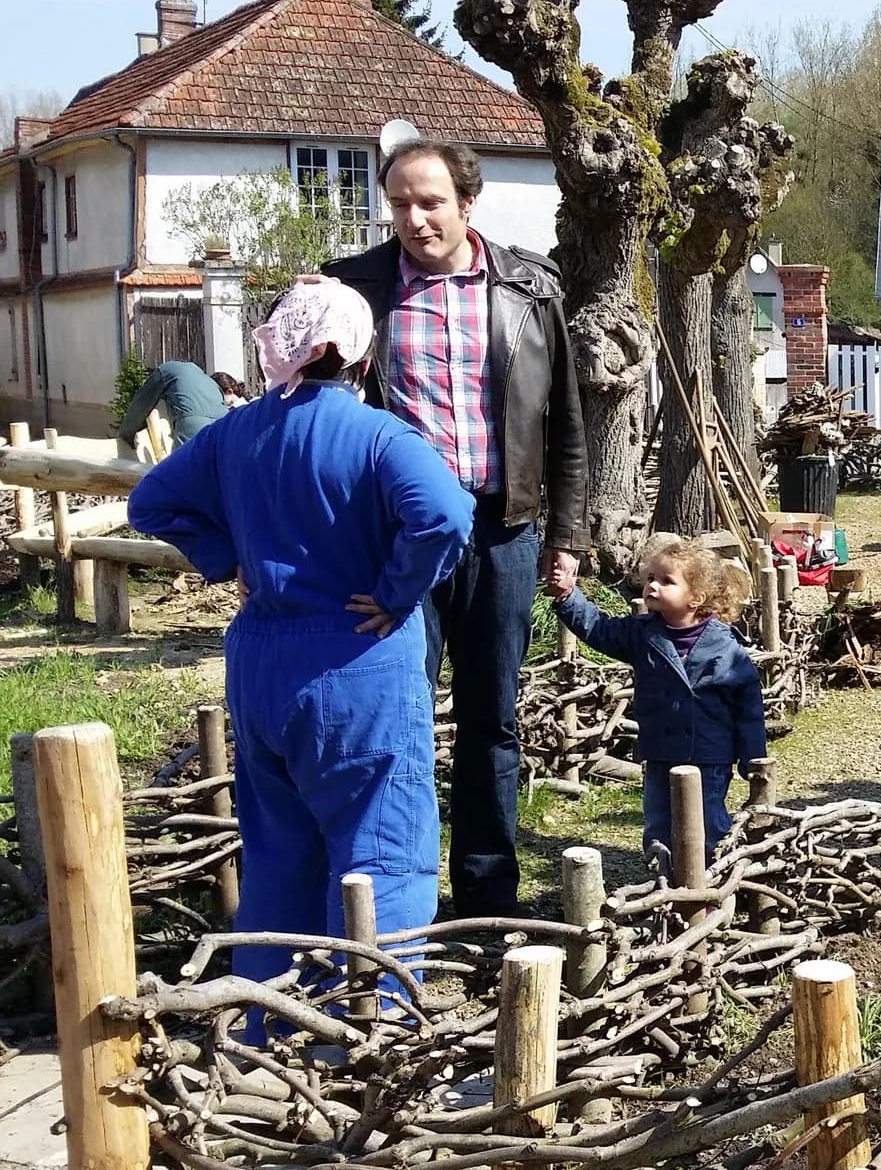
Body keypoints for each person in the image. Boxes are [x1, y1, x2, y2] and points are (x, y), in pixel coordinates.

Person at [127, 279, 472, 993]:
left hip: (262, 667)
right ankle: (365, 1028)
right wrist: (396, 591)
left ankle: (266, 1021)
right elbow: (443, 515)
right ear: (363, 359)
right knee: (381, 851)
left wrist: (228, 559)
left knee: (279, 854)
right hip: (357, 663)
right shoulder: (379, 436)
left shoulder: (235, 432)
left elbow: (150, 502)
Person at [327, 138, 588, 921]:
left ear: (468, 203)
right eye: (399, 204)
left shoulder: (529, 289)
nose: (414, 219)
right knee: (397, 716)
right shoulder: (354, 291)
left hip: (503, 532)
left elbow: (566, 423)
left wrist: (566, 535)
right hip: (401, 542)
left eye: (430, 202)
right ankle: (398, 898)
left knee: (491, 719)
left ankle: (485, 895)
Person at [551, 536, 768, 864]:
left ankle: (714, 875)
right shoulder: (641, 633)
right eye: (651, 577)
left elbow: (748, 708)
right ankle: (664, 876)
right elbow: (598, 629)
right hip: (660, 752)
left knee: (708, 820)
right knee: (659, 821)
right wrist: (569, 596)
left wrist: (753, 757)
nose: (652, 585)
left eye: (667, 581)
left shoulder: (726, 648)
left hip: (709, 755)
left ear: (696, 597)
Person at [117, 361, 246, 451]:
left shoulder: (166, 370)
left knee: (180, 475)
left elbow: (141, 404)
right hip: (222, 429)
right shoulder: (208, 382)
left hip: (193, 425)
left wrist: (126, 434)